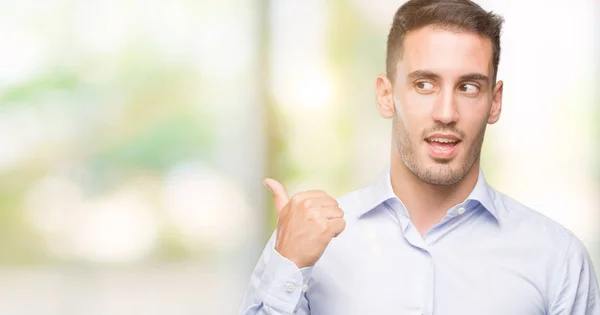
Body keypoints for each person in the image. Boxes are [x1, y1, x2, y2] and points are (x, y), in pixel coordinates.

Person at [237, 0, 600, 314]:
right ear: (385, 95)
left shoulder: (557, 257)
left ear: (495, 101)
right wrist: (288, 265)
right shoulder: (305, 245)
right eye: (424, 84)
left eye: (468, 87)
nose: (446, 112)